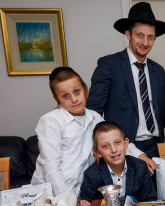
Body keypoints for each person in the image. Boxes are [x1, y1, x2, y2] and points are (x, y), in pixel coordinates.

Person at [87, 2, 165, 161]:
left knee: (159, 186)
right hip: (125, 148)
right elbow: (93, 113)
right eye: (139, 35)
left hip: (156, 147)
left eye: (150, 37)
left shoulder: (158, 71)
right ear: (128, 34)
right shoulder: (109, 66)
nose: (145, 42)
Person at [31, 67, 145, 196]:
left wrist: (141, 156)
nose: (74, 99)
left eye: (77, 91)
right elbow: (52, 169)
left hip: (81, 193)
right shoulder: (51, 121)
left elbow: (114, 139)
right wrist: (68, 201)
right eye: (65, 96)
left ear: (85, 90)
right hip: (52, 194)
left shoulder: (94, 117)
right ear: (56, 99)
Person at [79, 121, 157, 206]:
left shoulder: (140, 167)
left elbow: (150, 201)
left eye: (117, 142)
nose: (114, 150)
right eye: (105, 146)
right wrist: (83, 204)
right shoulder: (91, 175)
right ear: (97, 152)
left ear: (126, 143)